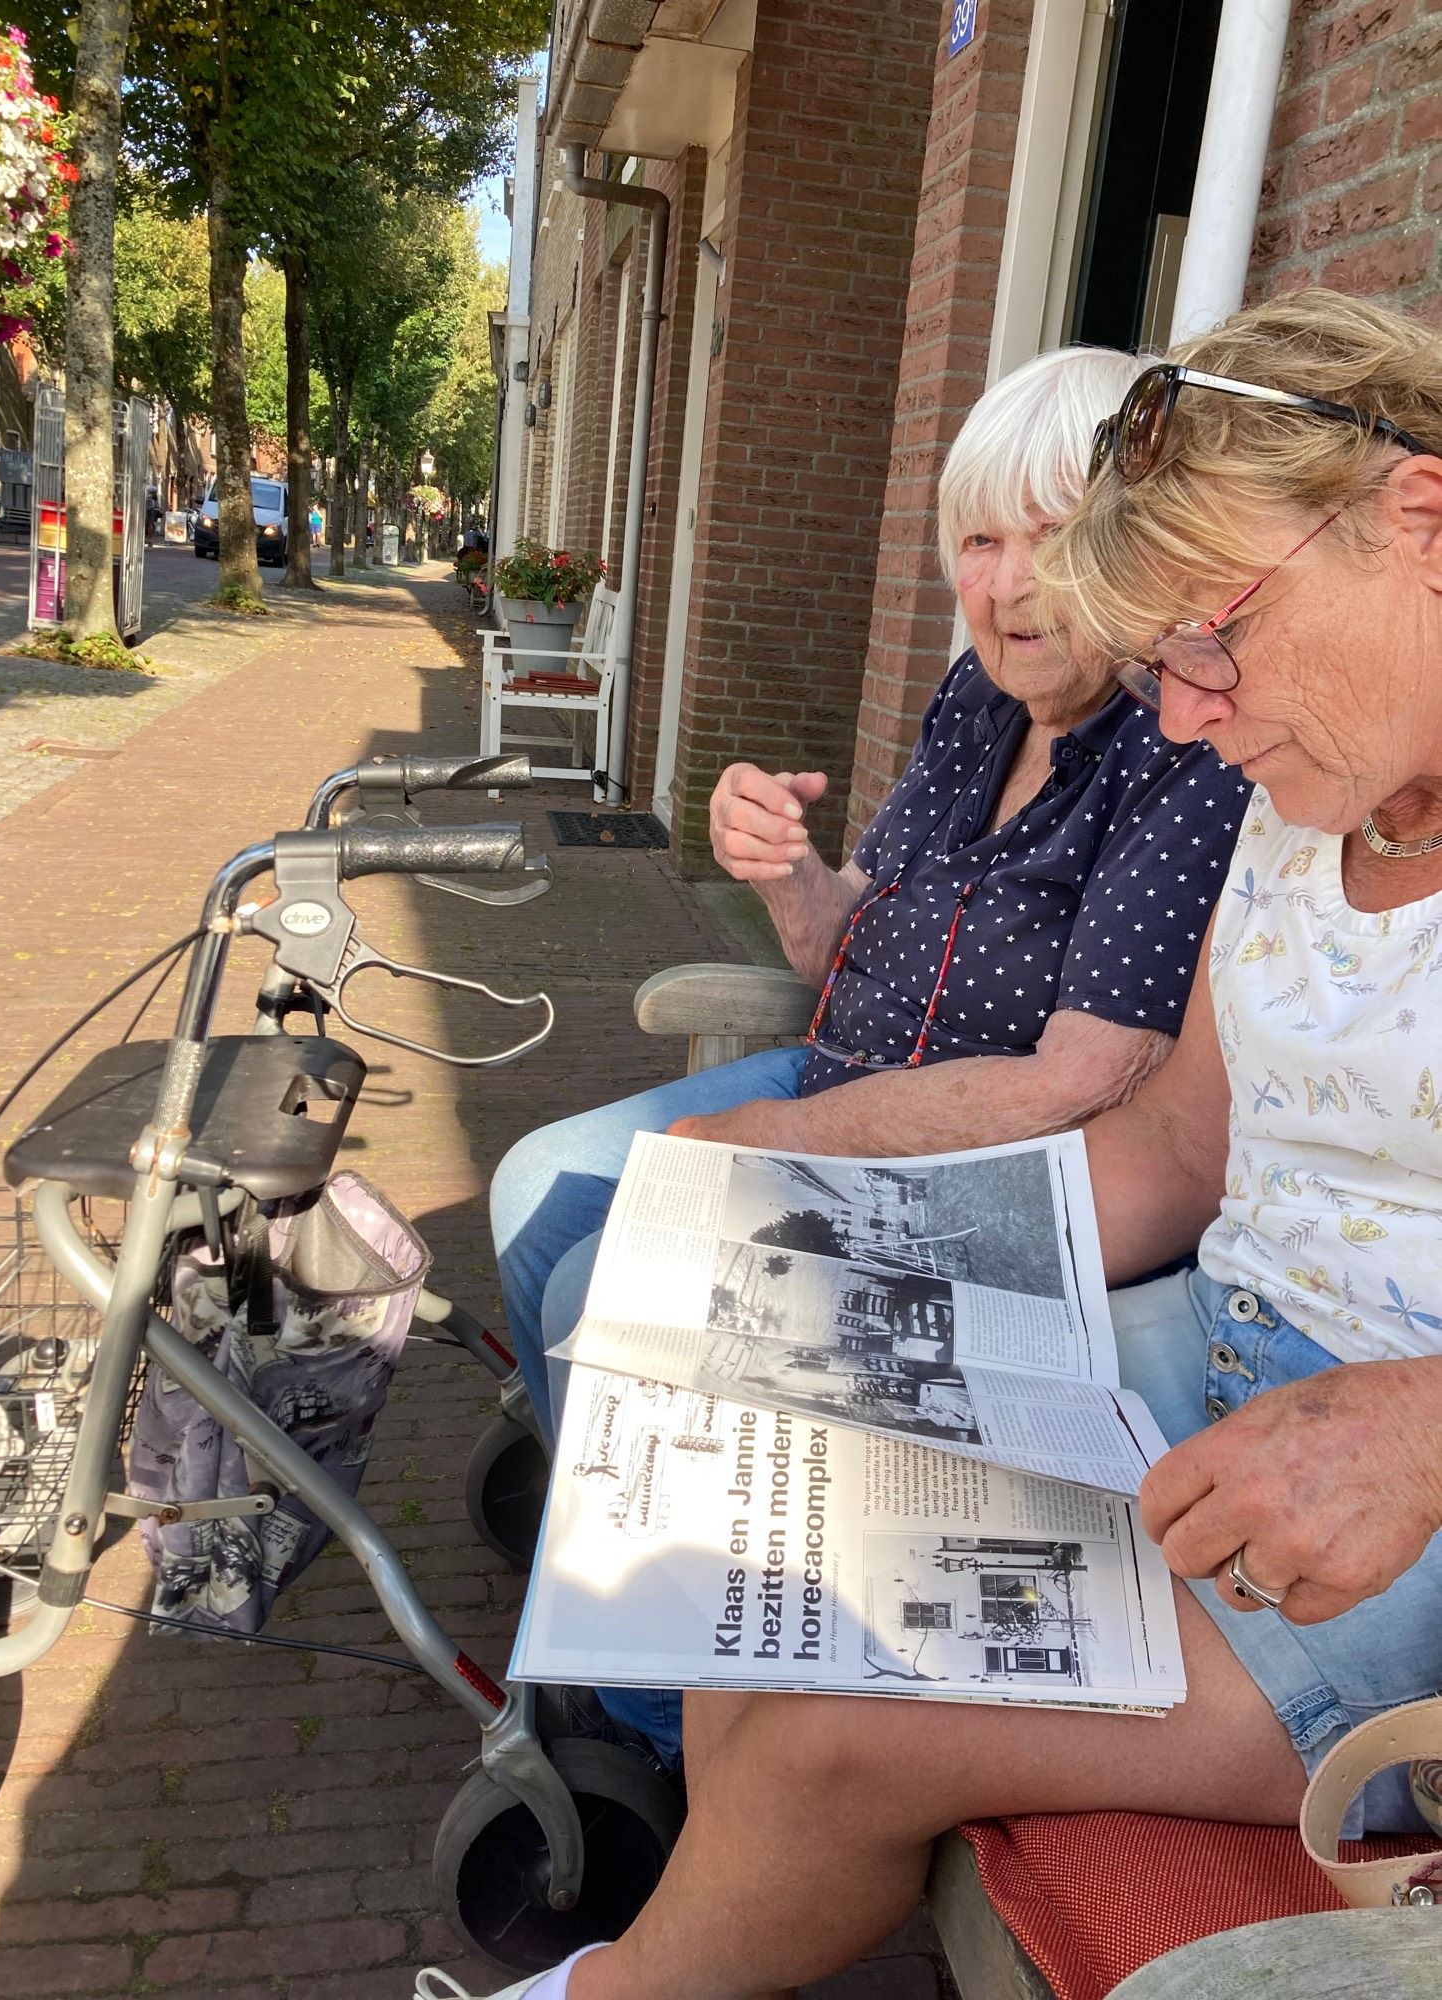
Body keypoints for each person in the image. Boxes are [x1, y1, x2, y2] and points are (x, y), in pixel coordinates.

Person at [432, 289, 1442, 2000]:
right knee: (755, 1529)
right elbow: (1171, 1164)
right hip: (1206, 1361)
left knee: (836, 1728)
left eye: (1212, 635)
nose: (1185, 719)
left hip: (1393, 1515)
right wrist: (832, 1233)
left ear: (1417, 515)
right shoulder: (1297, 810)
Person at [489, 346, 1249, 1760]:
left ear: (1137, 552)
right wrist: (781, 868)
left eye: (1051, 541)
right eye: (978, 539)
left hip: (989, 1167)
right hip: (833, 1078)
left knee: (614, 1265)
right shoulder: (977, 699)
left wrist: (756, 1152)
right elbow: (834, 958)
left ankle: (657, 1729)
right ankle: (609, 1556)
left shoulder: (1182, 752)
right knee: (541, 1183)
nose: (1005, 586)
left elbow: (1083, 1082)